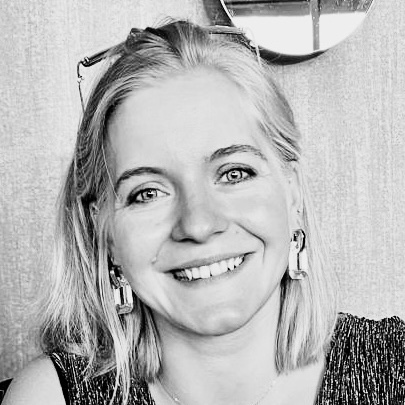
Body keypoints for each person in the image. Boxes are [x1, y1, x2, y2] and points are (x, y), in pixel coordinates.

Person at [3, 20, 404, 405]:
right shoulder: (50, 397)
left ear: (293, 194)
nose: (198, 224)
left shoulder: (396, 368)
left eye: (234, 173)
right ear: (103, 230)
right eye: (148, 193)